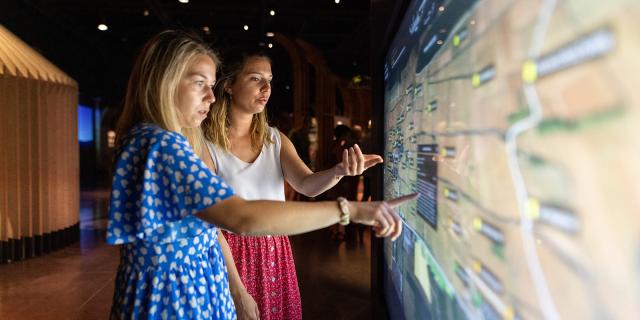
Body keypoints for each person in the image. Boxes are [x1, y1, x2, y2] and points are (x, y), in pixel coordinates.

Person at [106, 30, 416, 319]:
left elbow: (305, 185)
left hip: (236, 267)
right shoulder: (167, 144)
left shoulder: (264, 138)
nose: (210, 97)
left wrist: (337, 172)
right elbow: (240, 217)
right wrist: (351, 210)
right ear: (166, 81)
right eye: (201, 83)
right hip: (182, 293)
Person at [201, 53, 386, 320]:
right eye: (255, 78)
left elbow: (307, 185)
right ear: (229, 85)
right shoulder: (205, 143)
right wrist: (238, 290)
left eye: (269, 80)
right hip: (228, 255)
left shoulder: (275, 139)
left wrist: (339, 171)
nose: (266, 88)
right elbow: (211, 225)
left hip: (274, 250)